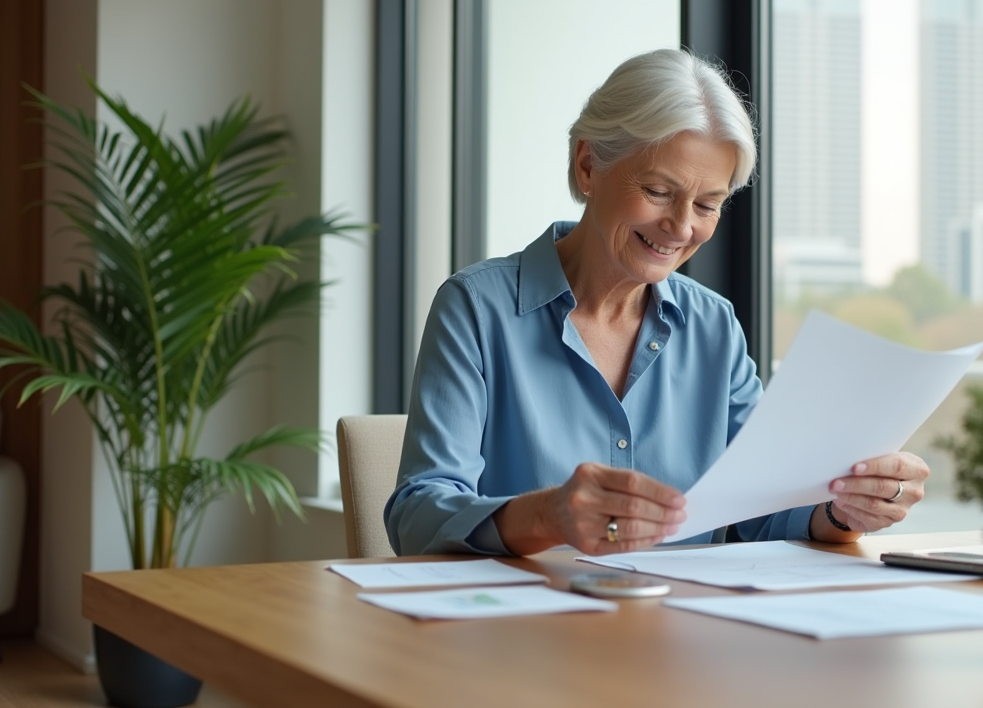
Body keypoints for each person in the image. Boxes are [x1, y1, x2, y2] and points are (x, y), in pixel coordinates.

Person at [384, 48, 929, 557]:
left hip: (687, 640)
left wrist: (843, 508)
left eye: (708, 204)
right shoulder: (477, 309)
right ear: (588, 166)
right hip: (529, 640)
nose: (681, 226)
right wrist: (549, 516)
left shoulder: (714, 325)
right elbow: (416, 518)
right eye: (659, 192)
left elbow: (761, 511)